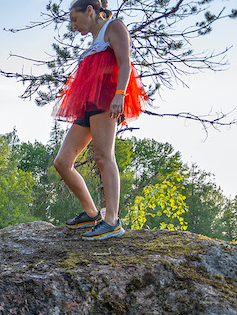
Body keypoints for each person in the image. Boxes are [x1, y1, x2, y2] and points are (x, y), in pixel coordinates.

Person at [52, 0, 148, 240]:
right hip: (88, 103)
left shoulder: (114, 27)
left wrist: (120, 95)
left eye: (75, 19)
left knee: (104, 157)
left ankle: (112, 221)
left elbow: (125, 63)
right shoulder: (95, 41)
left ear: (90, 11)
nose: (74, 26)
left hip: (106, 98)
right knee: (62, 162)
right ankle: (92, 213)